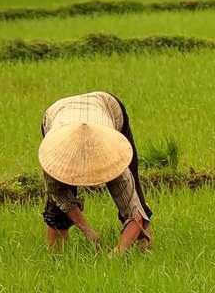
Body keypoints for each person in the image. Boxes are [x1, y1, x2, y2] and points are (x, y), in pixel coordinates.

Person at [38, 91, 153, 255]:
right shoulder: (55, 155)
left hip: (105, 106)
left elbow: (136, 214)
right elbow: (58, 193)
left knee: (135, 194)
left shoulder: (113, 156)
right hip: (59, 115)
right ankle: (56, 255)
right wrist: (89, 232)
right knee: (57, 200)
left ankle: (143, 247)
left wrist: (117, 253)